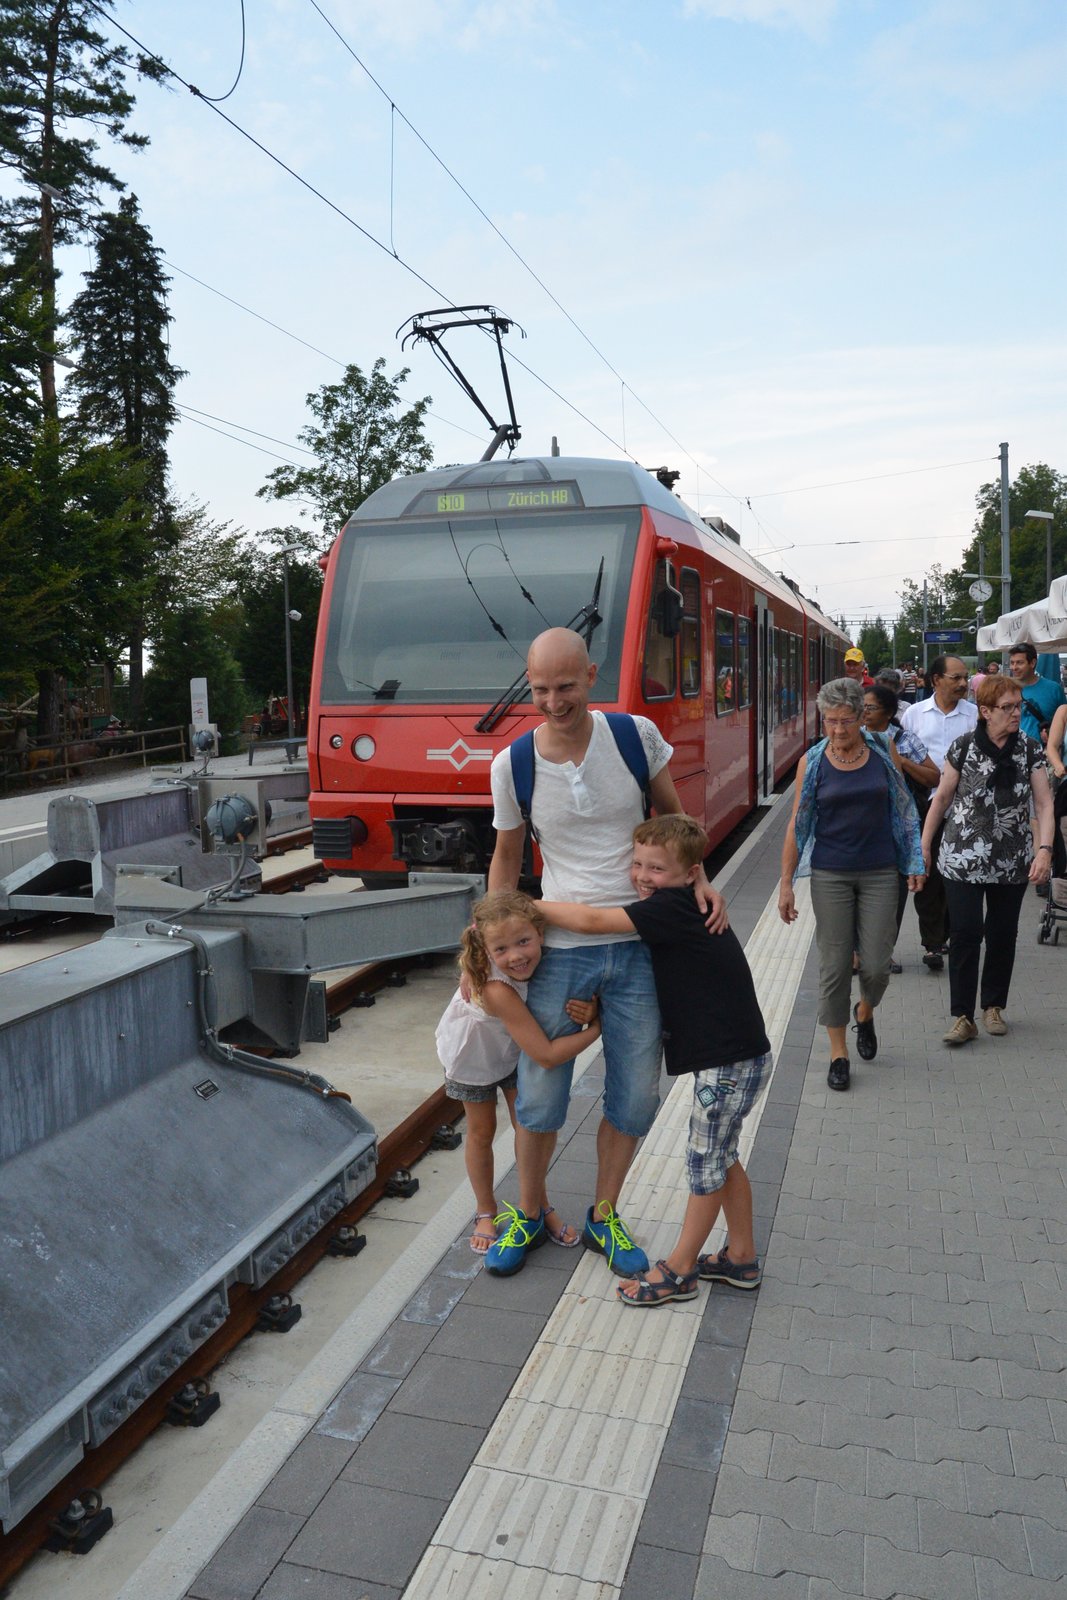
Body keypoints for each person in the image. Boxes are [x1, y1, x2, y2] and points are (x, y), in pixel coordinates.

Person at [486, 627, 728, 1277]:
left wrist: (701, 882)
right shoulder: (512, 764)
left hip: (641, 944)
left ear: (592, 675)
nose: (553, 702)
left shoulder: (634, 737)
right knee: (539, 1099)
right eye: (540, 690)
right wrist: (486, 948)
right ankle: (529, 1212)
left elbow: (676, 823)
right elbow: (507, 857)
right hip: (560, 950)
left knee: (635, 1099)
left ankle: (603, 1214)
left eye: (565, 686)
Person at [538, 815, 771, 1306]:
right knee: (722, 1155)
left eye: (657, 868)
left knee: (705, 1162)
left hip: (727, 1064)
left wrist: (525, 905)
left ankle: (680, 1271)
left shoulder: (672, 905)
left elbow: (592, 921)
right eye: (638, 864)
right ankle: (741, 1257)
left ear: (691, 874)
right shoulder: (680, 902)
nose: (643, 876)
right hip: (738, 1056)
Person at [436, 890, 603, 1254]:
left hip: (514, 1048)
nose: (515, 956)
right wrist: (597, 1028)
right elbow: (546, 1055)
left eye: (523, 942)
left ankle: (539, 1207)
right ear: (486, 950)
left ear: (540, 933)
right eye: (501, 950)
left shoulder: (543, 960)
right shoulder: (496, 988)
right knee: (481, 1131)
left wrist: (590, 1010)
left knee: (530, 1127)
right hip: (473, 1056)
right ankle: (486, 1211)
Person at [779, 677, 924, 1093]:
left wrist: (914, 860)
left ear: (862, 718)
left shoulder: (882, 750)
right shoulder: (812, 761)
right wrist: (786, 882)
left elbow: (903, 810)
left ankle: (866, 1011)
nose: (838, 729)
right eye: (830, 721)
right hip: (831, 873)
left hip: (880, 870)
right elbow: (798, 824)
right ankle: (838, 1053)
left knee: (876, 965)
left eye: (845, 721)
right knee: (835, 964)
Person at [921, 677, 1054, 1045]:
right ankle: (962, 1016)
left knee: (1002, 934)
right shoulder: (963, 746)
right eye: (1007, 707)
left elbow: (1044, 803)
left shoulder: (1029, 749)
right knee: (965, 933)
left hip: (1011, 860)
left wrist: (1045, 850)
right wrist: (924, 845)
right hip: (961, 858)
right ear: (985, 711)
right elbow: (942, 798)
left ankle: (993, 1006)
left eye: (1018, 706)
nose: (1016, 713)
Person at [899, 656, 978, 971]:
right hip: (925, 805)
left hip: (964, 808)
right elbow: (903, 755)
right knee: (928, 875)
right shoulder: (915, 715)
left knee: (957, 875)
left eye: (965, 677)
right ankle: (933, 942)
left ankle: (951, 934)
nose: (963, 684)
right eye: (955, 678)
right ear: (935, 680)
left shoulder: (974, 715)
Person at [861, 683, 939, 973]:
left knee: (892, 893)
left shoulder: (905, 740)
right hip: (861, 827)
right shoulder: (854, 736)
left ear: (888, 712)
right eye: (861, 707)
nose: (864, 712)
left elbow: (934, 777)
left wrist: (902, 761)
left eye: (870, 708)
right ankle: (859, 951)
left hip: (897, 829)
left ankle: (884, 953)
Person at [1009, 643, 1065, 744]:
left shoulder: (1054, 689)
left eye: (1019, 663)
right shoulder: (1006, 689)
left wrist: (1051, 732)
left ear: (1032, 663)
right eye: (1012, 663)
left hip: (1046, 750)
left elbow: (1064, 721)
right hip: (1013, 749)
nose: (1014, 667)